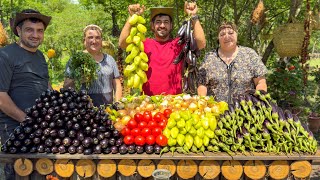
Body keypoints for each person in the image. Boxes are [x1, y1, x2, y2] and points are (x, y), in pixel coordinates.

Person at [0, 9, 51, 179]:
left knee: (40, 173)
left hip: (40, 129)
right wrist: (28, 121)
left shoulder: (41, 57)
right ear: (18, 31)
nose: (35, 35)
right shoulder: (6, 55)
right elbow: (1, 97)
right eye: (29, 30)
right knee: (19, 174)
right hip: (15, 130)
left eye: (40, 31)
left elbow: (46, 87)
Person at [119, 2, 206, 95]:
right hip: (148, 103)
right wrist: (132, 17)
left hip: (174, 103)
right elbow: (123, 43)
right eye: (158, 22)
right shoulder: (143, 43)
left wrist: (193, 16)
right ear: (152, 26)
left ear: (171, 26)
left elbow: (201, 43)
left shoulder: (178, 44)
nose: (162, 25)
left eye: (166, 22)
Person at [197, 21, 268, 104]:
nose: (226, 37)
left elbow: (260, 82)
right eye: (222, 34)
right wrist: (202, 103)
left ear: (236, 35)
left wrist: (258, 100)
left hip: (245, 111)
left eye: (230, 33)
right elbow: (202, 84)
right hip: (216, 111)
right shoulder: (210, 57)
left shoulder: (249, 54)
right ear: (218, 38)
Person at [64, 24, 122, 106]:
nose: (94, 41)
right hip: (84, 110)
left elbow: (117, 83)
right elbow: (66, 86)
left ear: (101, 40)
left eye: (97, 38)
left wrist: (118, 103)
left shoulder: (110, 60)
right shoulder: (75, 60)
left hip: (107, 110)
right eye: (90, 37)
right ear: (84, 40)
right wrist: (78, 79)